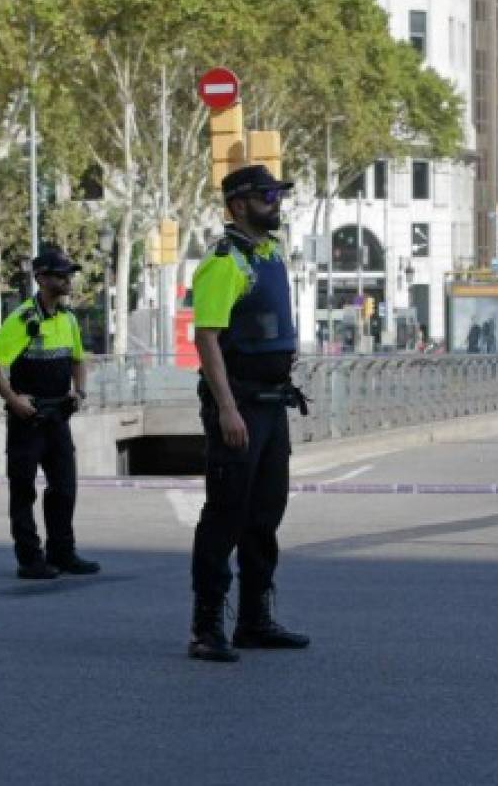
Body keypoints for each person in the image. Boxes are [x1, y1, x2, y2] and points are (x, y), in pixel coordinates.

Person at [188, 164, 310, 663]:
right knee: (225, 515)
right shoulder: (225, 262)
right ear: (238, 204)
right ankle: (206, 627)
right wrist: (227, 409)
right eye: (266, 196)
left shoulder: (270, 254)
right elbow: (207, 338)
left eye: (278, 194)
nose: (275, 203)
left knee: (265, 515)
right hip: (240, 407)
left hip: (271, 404)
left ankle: (255, 621)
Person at [0, 247, 98, 580]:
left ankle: (62, 552)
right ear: (41, 278)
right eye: (60, 275)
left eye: (69, 274)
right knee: (23, 489)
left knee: (64, 486)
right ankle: (30, 559)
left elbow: (77, 359)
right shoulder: (23, 320)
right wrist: (14, 400)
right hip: (28, 418)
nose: (67, 280)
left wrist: (80, 390)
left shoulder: (68, 318)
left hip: (59, 415)